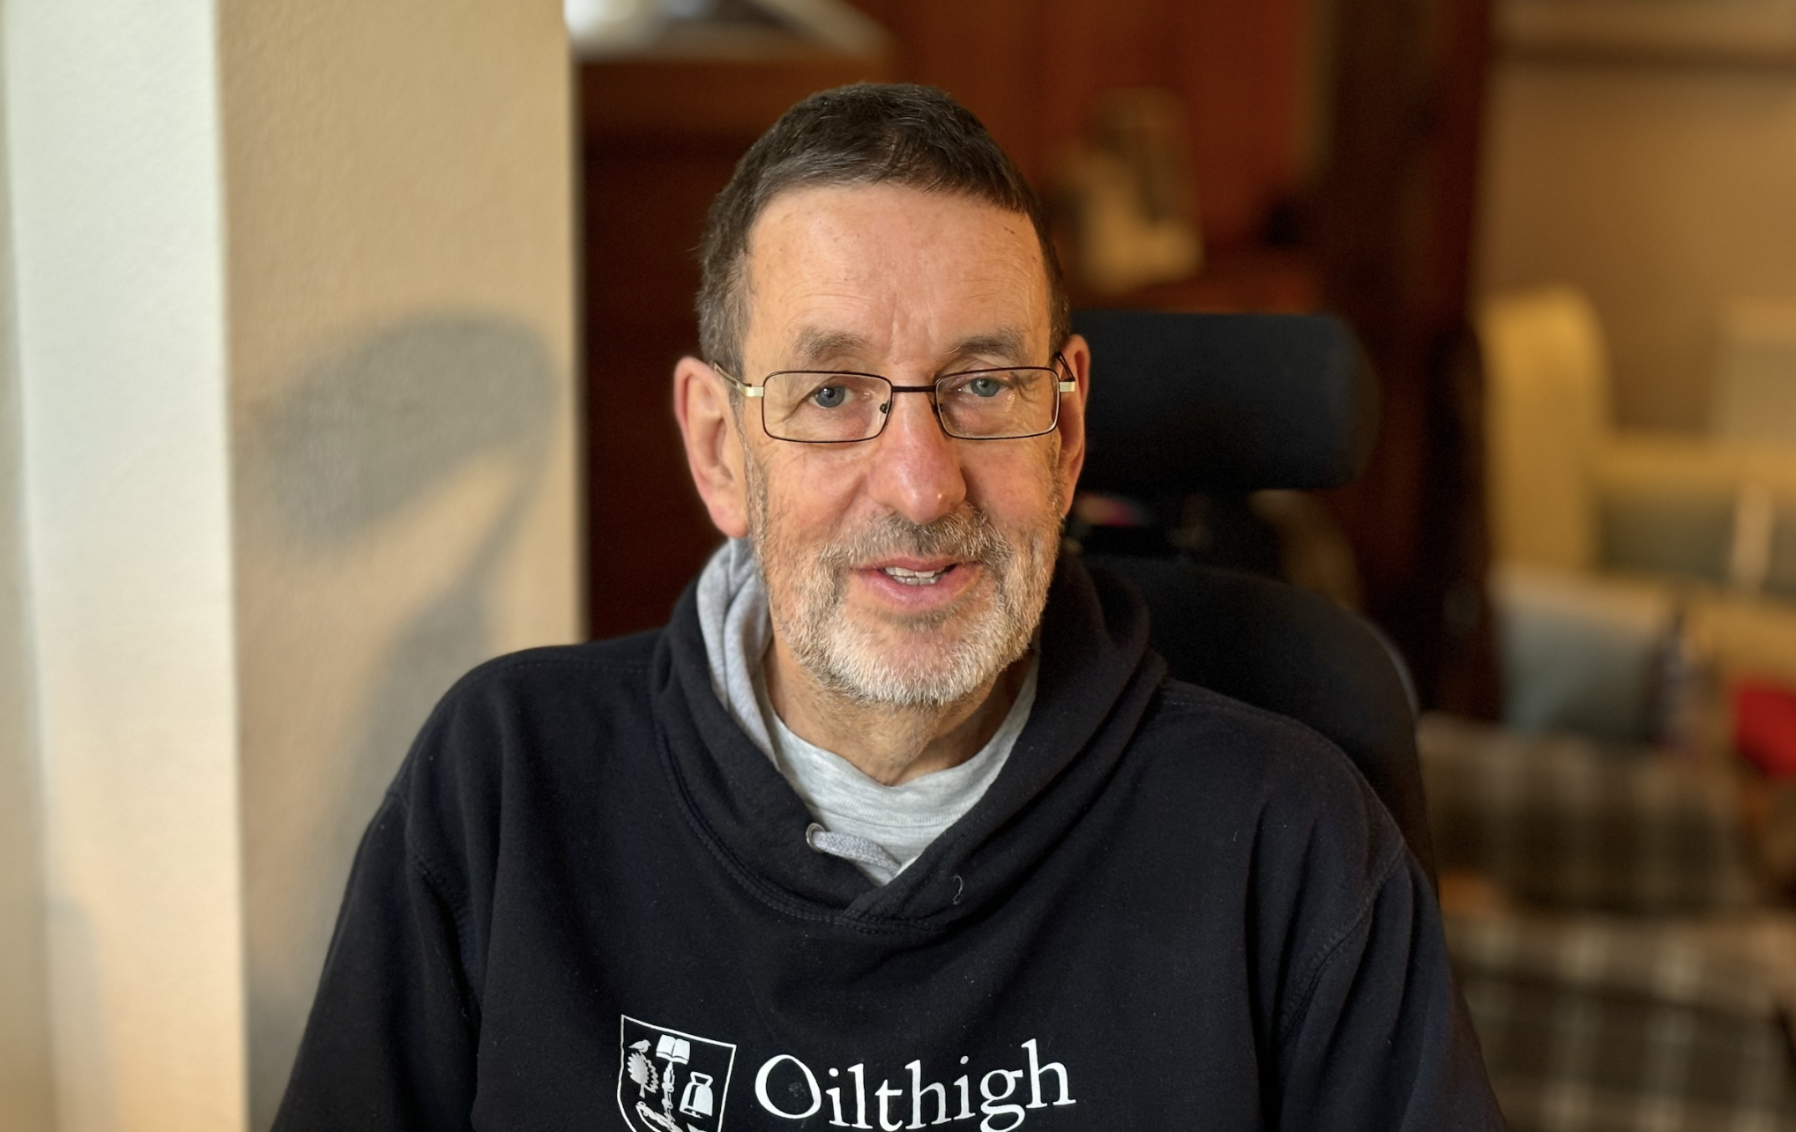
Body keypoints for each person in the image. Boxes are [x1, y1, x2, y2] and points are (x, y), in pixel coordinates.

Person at [274, 83, 1503, 1131]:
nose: (920, 485)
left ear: (1066, 431)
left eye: (982, 385)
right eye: (830, 393)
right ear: (718, 446)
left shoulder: (1290, 843)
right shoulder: (503, 789)